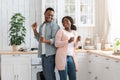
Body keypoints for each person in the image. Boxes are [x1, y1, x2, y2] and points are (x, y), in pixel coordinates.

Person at [32, 7, 59, 80]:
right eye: (48, 14)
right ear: (44, 14)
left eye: (52, 15)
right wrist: (34, 30)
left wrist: (45, 41)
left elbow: (55, 40)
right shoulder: (42, 26)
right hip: (43, 54)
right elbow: (39, 39)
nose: (50, 16)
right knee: (47, 76)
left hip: (50, 55)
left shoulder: (54, 25)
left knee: (49, 76)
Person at [55, 16, 81, 80]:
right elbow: (56, 44)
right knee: (63, 78)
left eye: (66, 21)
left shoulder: (74, 32)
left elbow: (75, 46)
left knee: (73, 77)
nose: (65, 22)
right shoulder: (61, 31)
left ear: (71, 22)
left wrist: (77, 41)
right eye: (63, 21)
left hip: (71, 57)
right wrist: (68, 41)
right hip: (62, 57)